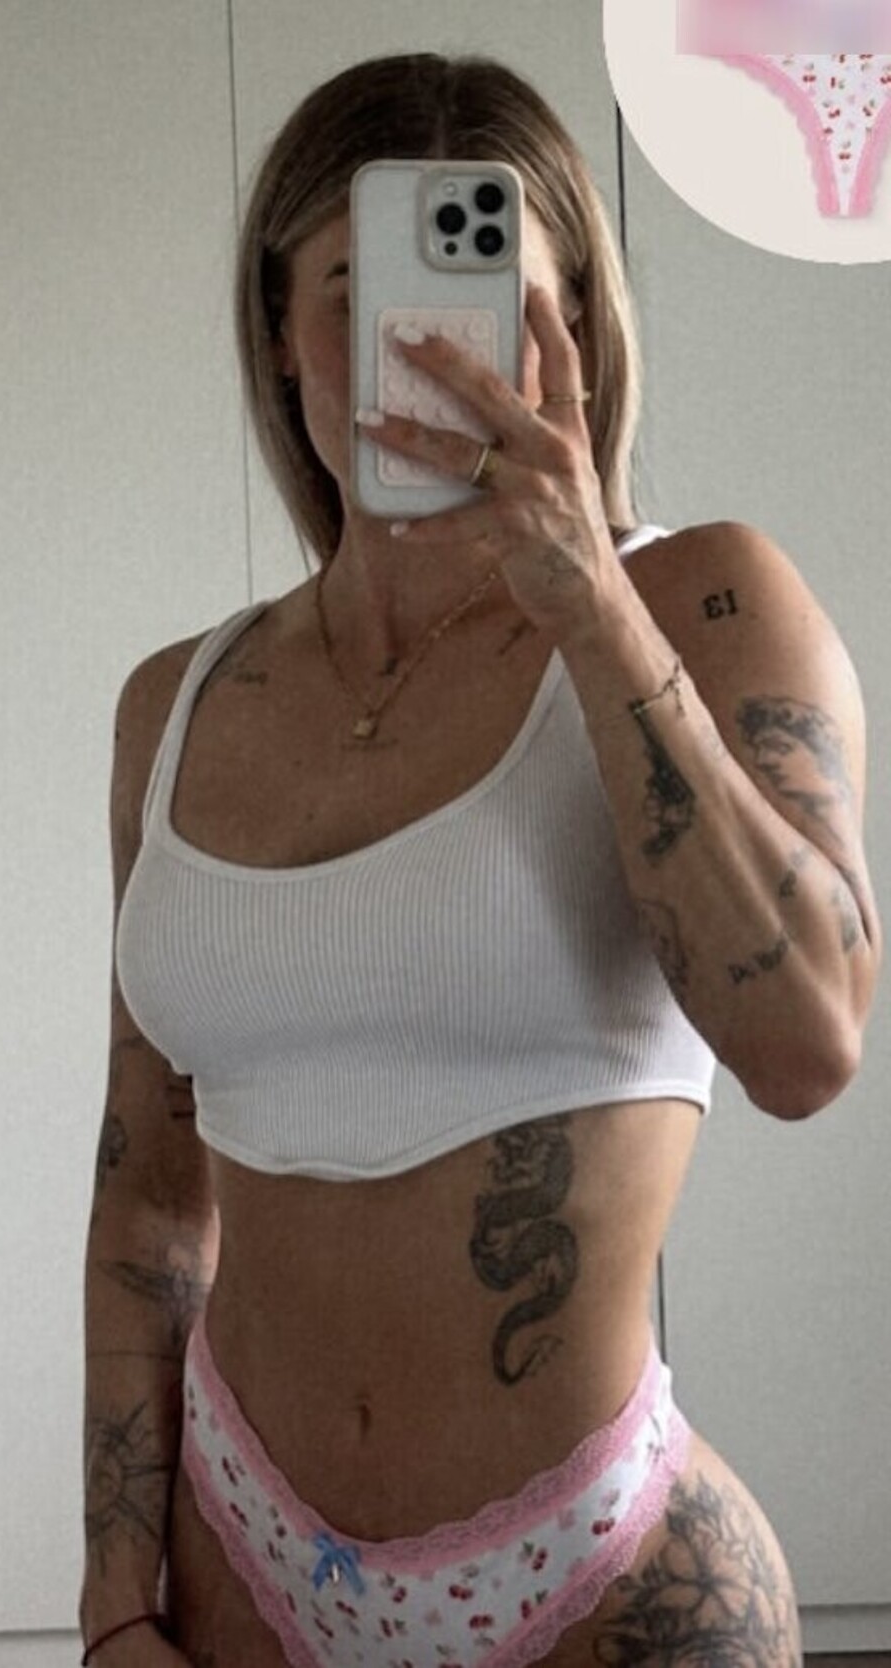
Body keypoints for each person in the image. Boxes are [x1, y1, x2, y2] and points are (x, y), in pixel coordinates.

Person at [78, 52, 881, 1668]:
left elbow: (809, 1042)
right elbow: (149, 1201)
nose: (427, 352)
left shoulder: (708, 599)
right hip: (237, 1556)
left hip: (610, 1579)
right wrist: (112, 1605)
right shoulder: (177, 704)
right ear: (278, 331)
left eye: (490, 304)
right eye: (357, 297)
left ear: (573, 328)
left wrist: (589, 601)